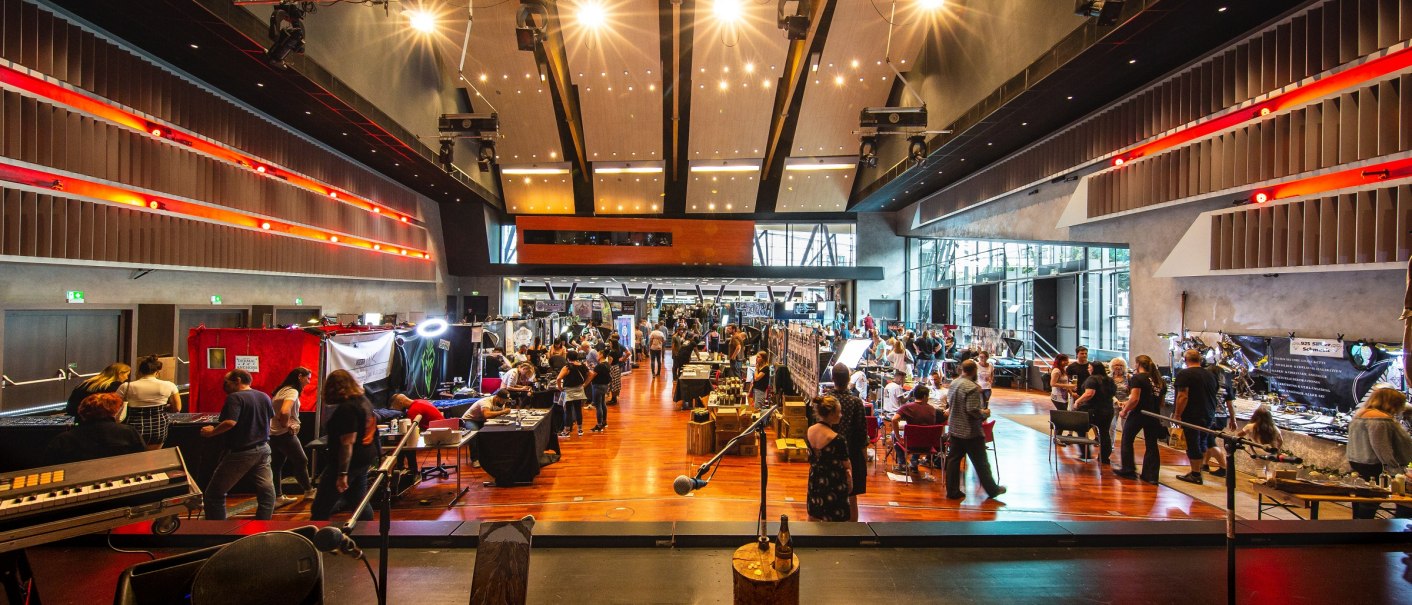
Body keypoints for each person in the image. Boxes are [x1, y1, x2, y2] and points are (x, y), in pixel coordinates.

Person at [200, 369, 275, 521]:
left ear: (238, 380)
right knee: (266, 491)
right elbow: (270, 419)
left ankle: (216, 532)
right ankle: (262, 526)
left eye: (226, 382)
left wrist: (211, 432)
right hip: (263, 449)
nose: (224, 386)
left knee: (214, 494)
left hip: (242, 451)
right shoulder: (264, 396)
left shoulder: (235, 398)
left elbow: (230, 422)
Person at [310, 370, 380, 521]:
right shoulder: (364, 401)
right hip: (363, 459)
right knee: (358, 501)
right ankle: (369, 534)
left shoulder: (347, 409)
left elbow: (347, 443)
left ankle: (315, 539)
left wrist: (342, 474)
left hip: (348, 464)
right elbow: (375, 432)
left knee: (320, 508)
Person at [944, 360, 1006, 500]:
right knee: (981, 463)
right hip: (970, 431)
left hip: (954, 428)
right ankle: (992, 489)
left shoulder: (954, 383)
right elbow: (972, 410)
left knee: (953, 461)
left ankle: (952, 491)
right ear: (974, 371)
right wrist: (984, 413)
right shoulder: (971, 388)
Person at [1347, 387, 1412, 518]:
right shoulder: (1379, 419)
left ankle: (1359, 529)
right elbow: (1381, 447)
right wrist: (1395, 469)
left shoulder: (1360, 415)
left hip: (1359, 463)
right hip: (1375, 466)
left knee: (1362, 501)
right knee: (1375, 502)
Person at [1173, 348, 1233, 485]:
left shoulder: (1185, 374)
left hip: (1192, 414)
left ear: (1186, 359)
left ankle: (1195, 473)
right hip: (1208, 414)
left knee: (1193, 443)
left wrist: (1177, 414)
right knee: (1202, 442)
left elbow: (1183, 396)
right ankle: (1197, 471)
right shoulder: (1210, 375)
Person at [45, 393, 145, 464]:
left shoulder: (63, 439)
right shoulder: (128, 432)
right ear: (113, 412)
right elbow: (141, 459)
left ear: (82, 412)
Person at [1115, 355, 1167, 484]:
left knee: (1127, 439)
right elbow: (1161, 402)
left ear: (1138, 364)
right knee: (1151, 444)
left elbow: (1135, 399)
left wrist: (1124, 410)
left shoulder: (1138, 378)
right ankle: (1151, 475)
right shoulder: (1159, 380)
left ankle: (1128, 469)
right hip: (1154, 414)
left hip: (1139, 413)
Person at [827, 364, 868, 520]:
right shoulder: (856, 402)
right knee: (851, 496)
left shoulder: (827, 400)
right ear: (849, 379)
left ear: (833, 379)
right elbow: (861, 433)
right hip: (852, 454)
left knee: (830, 493)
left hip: (830, 454)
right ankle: (852, 532)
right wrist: (864, 458)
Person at [116, 355, 181, 449]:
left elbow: (114, 406)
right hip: (158, 426)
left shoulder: (126, 386)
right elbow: (177, 408)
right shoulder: (169, 385)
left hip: (133, 427)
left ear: (140, 371)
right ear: (157, 372)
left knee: (134, 458)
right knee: (153, 457)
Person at [269, 368, 314, 504]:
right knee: (301, 461)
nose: (309, 381)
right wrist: (286, 424)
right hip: (284, 434)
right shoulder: (292, 391)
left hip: (273, 433)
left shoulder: (281, 390)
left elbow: (274, 411)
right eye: (308, 378)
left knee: (276, 465)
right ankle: (308, 491)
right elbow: (284, 410)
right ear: (300, 377)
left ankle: (278, 497)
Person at [805, 396, 851, 522]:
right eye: (838, 412)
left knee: (814, 515)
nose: (840, 415)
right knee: (837, 520)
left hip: (815, 480)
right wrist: (849, 480)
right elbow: (846, 464)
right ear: (831, 414)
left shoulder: (809, 431)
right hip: (834, 483)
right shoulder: (837, 439)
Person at [1073, 361, 1117, 464]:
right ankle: (1104, 457)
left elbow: (1089, 393)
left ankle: (1085, 453)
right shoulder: (1109, 380)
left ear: (1093, 369)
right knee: (1104, 433)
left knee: (1080, 428)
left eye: (1089, 367)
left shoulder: (1092, 379)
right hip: (1108, 410)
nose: (1088, 369)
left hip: (1093, 409)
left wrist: (1078, 401)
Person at [891, 385, 939, 473]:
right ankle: (914, 462)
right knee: (921, 435)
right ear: (925, 396)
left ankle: (902, 463)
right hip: (927, 444)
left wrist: (898, 437)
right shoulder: (932, 409)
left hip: (911, 444)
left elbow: (894, 419)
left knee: (893, 434)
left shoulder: (907, 407)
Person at [65, 362, 129, 419]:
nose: (127, 378)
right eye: (127, 375)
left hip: (81, 421)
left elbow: (70, 408)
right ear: (120, 374)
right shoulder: (117, 387)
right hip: (104, 423)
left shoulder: (84, 384)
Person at [557, 350, 591, 437]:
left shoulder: (567, 367)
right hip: (579, 390)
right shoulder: (583, 366)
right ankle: (580, 430)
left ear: (567, 358)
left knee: (568, 411)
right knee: (578, 410)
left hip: (569, 391)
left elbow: (558, 378)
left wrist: (560, 388)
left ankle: (566, 431)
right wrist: (585, 384)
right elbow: (590, 374)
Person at [590, 351, 612, 432]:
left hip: (598, 386)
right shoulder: (607, 364)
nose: (596, 356)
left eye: (598, 354)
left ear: (602, 355)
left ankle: (599, 425)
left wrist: (585, 384)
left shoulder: (599, 366)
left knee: (598, 405)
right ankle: (604, 422)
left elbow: (592, 375)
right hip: (605, 386)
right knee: (603, 404)